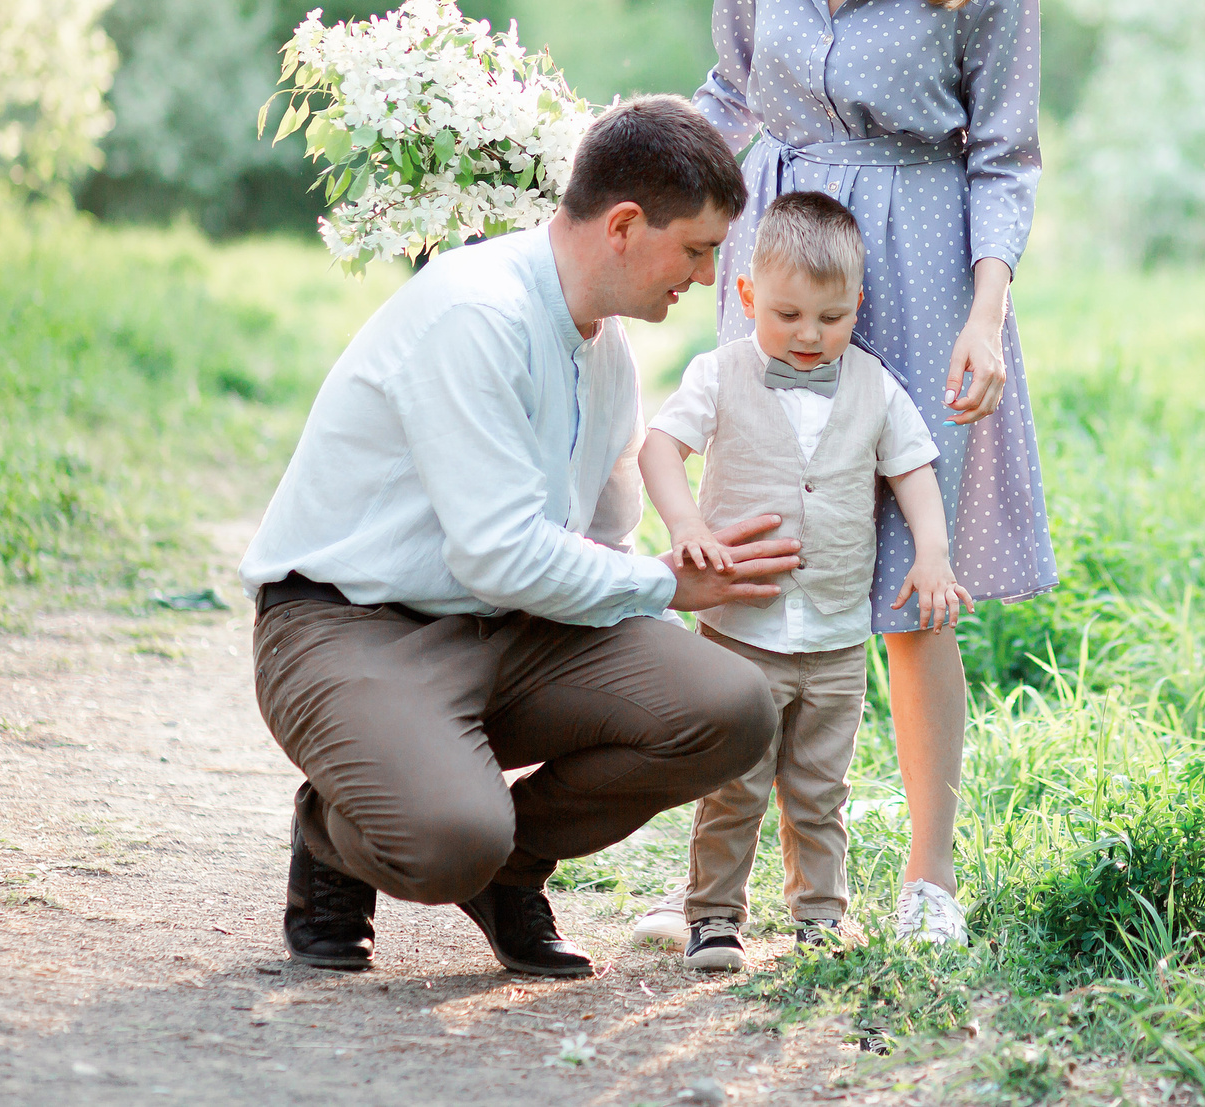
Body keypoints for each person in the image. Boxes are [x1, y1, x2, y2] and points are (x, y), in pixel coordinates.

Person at [633, 0, 1055, 950]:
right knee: (752, 559)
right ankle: (718, 887)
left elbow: (1005, 157)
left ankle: (927, 881)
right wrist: (631, 194)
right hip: (779, 254)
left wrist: (986, 313)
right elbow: (727, 92)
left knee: (908, 587)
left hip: (922, 269)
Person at [241, 95, 803, 977]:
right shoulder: (477, 314)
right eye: (696, 250)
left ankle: (509, 871)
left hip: (514, 626)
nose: (702, 276)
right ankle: (336, 832)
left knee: (730, 708)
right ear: (624, 224)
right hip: (349, 625)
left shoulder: (608, 349)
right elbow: (498, 552)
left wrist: (684, 564)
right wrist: (663, 585)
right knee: (447, 837)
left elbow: (603, 543)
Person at [639, 191, 971, 972]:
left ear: (858, 302)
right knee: (733, 786)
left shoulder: (875, 384)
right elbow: (660, 448)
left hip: (833, 638)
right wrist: (686, 527)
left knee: (822, 789)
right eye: (787, 315)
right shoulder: (718, 373)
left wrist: (932, 553)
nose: (810, 336)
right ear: (748, 295)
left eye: (831, 317)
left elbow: (914, 470)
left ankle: (820, 918)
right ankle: (714, 916)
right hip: (740, 632)